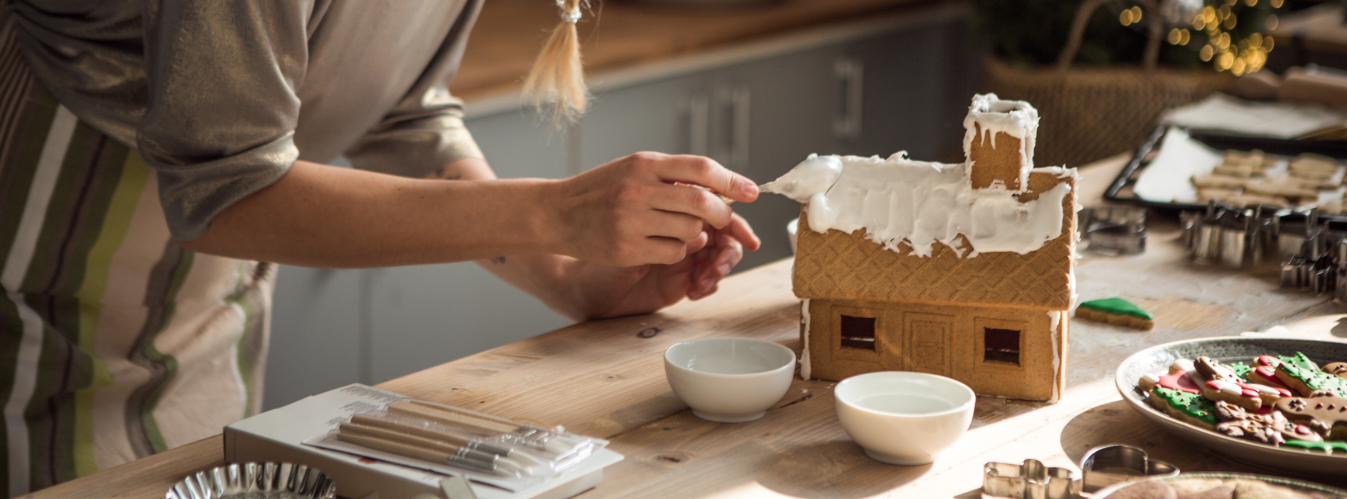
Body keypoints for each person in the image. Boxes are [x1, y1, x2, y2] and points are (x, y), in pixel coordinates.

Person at [0, 0, 760, 495]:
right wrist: (556, 213)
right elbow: (225, 191)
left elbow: (400, 111)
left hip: (212, 305)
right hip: (47, 281)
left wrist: (567, 275)